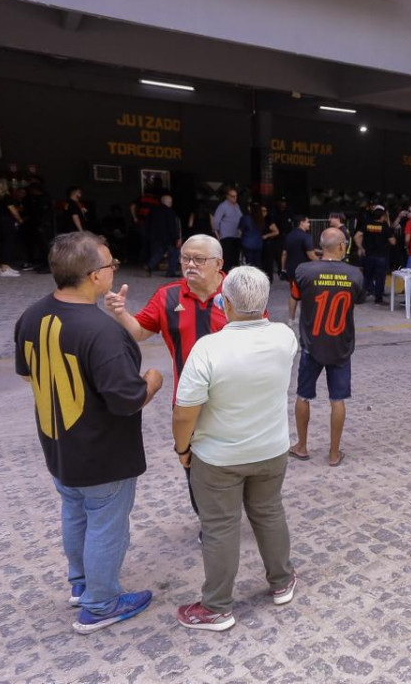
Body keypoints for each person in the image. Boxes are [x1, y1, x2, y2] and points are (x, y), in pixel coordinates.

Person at [15, 231, 163, 634]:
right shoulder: (102, 332)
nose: (114, 269)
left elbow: (28, 373)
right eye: (111, 264)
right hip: (103, 454)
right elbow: (126, 399)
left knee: (75, 512)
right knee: (105, 522)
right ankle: (100, 604)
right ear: (94, 275)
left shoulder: (30, 316)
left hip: (59, 445)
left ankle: (82, 583)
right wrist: (153, 379)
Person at [172, 266, 300, 630]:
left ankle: (216, 607)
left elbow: (185, 413)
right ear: (264, 304)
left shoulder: (208, 349)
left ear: (224, 303)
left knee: (219, 527)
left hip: (218, 458)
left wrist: (182, 447)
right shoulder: (283, 337)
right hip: (271, 450)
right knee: (269, 513)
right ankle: (282, 581)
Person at [104, 234, 229, 518]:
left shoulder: (236, 291)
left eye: (199, 259)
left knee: (235, 461)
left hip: (232, 398)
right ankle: (209, 521)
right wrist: (121, 313)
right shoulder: (168, 295)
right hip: (188, 399)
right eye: (185, 258)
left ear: (218, 263)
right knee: (193, 465)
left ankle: (231, 514)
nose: (190, 264)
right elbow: (139, 331)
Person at [291, 228, 364, 466]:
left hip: (311, 344)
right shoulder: (355, 274)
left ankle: (301, 446)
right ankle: (333, 453)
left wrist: (291, 320)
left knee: (303, 396)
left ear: (321, 246)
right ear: (342, 247)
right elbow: (357, 301)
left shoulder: (303, 271)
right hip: (340, 346)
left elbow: (295, 297)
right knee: (338, 399)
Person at [354, 206, 394, 305]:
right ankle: (378, 300)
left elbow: (356, 236)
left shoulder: (367, 224)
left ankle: (360, 298)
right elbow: (393, 242)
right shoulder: (385, 226)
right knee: (380, 278)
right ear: (382, 216)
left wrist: (361, 247)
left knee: (367, 277)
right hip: (381, 256)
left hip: (368, 255)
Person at [281, 216, 316, 323]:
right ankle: (305, 319)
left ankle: (291, 319)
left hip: (292, 270)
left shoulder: (289, 236)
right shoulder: (306, 237)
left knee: (294, 294)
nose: (309, 224)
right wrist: (322, 262)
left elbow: (284, 253)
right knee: (306, 295)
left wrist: (283, 268)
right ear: (301, 223)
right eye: (307, 222)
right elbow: (311, 255)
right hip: (304, 271)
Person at [146, 194, 181, 278]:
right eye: (170, 201)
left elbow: (148, 223)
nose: (171, 203)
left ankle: (150, 265)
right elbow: (172, 226)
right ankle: (171, 272)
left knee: (160, 252)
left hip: (156, 236)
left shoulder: (153, 210)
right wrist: (176, 237)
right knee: (173, 253)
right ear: (167, 202)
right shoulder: (170, 212)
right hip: (168, 237)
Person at [212, 188, 243, 271]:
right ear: (227, 196)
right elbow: (216, 221)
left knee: (235, 258)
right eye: (233, 196)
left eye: (236, 196)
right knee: (227, 258)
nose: (235, 198)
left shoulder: (237, 206)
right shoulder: (222, 206)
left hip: (236, 236)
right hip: (226, 236)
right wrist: (217, 234)